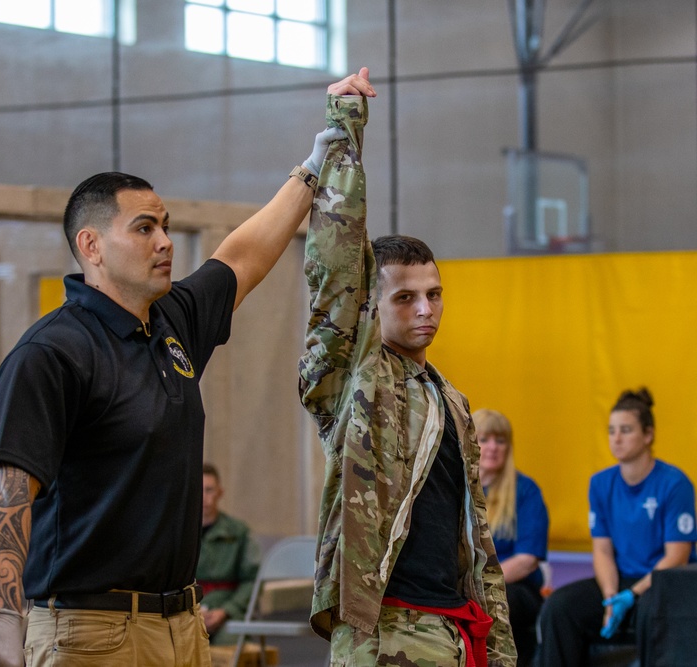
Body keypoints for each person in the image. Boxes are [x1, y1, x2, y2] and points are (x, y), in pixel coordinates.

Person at [0, 73, 369, 667]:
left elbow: (242, 255)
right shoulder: (51, 354)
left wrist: (315, 163)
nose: (164, 242)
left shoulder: (171, 319)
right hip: (87, 633)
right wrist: (1, 617)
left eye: (165, 225)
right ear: (92, 246)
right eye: (144, 228)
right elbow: (7, 496)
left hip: (182, 626)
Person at [297, 68, 517, 667]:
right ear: (372, 306)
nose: (425, 309)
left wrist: (497, 642)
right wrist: (344, 127)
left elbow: (475, 535)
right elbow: (337, 268)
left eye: (435, 293)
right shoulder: (352, 377)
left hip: (451, 630)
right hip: (383, 630)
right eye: (405, 297)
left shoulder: (451, 398)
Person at [536, 388, 696, 666]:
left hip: (661, 583)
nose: (616, 438)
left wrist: (631, 596)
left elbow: (676, 558)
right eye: (611, 431)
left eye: (626, 430)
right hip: (620, 581)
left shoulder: (675, 484)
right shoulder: (600, 483)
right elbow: (602, 550)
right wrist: (611, 597)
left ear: (648, 435)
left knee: (651, 611)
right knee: (559, 607)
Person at [473, 409, 549, 667]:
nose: (493, 447)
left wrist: (479, 583)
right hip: (465, 584)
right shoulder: (454, 488)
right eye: (484, 439)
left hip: (515, 588)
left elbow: (527, 561)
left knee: (498, 601)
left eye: (501, 440)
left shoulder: (526, 491)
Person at [196, 463, 260, 644]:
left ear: (220, 493)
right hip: (189, 611)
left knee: (229, 643)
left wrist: (226, 611)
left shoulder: (239, 532)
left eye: (209, 490)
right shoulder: (180, 533)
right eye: (199, 490)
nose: (204, 497)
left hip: (228, 610)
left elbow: (252, 581)